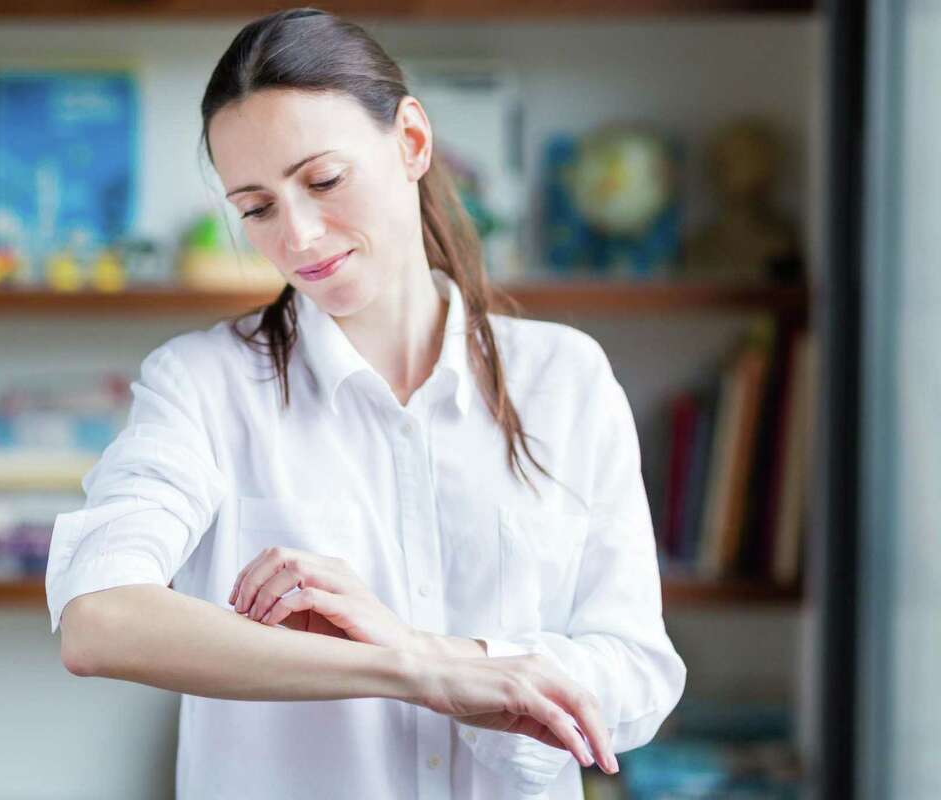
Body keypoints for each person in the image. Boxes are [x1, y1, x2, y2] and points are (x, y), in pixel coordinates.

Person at [46, 8, 686, 799]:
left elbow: (637, 675)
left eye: (323, 181)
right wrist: (411, 666)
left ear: (412, 142)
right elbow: (99, 619)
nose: (301, 237)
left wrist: (436, 652)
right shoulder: (200, 384)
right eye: (256, 208)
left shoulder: (564, 378)